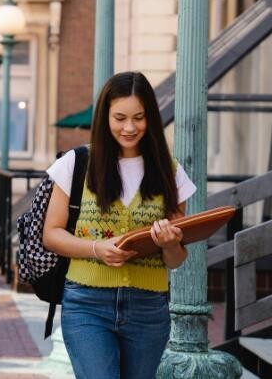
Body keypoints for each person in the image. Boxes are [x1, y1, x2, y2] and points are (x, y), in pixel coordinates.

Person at [42, 71, 197, 378]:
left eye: (139, 118)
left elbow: (177, 260)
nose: (129, 127)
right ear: (105, 117)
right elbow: (52, 234)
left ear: (150, 117)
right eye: (120, 118)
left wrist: (169, 245)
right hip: (87, 303)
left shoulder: (171, 172)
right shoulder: (76, 163)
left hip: (149, 308)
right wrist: (97, 249)